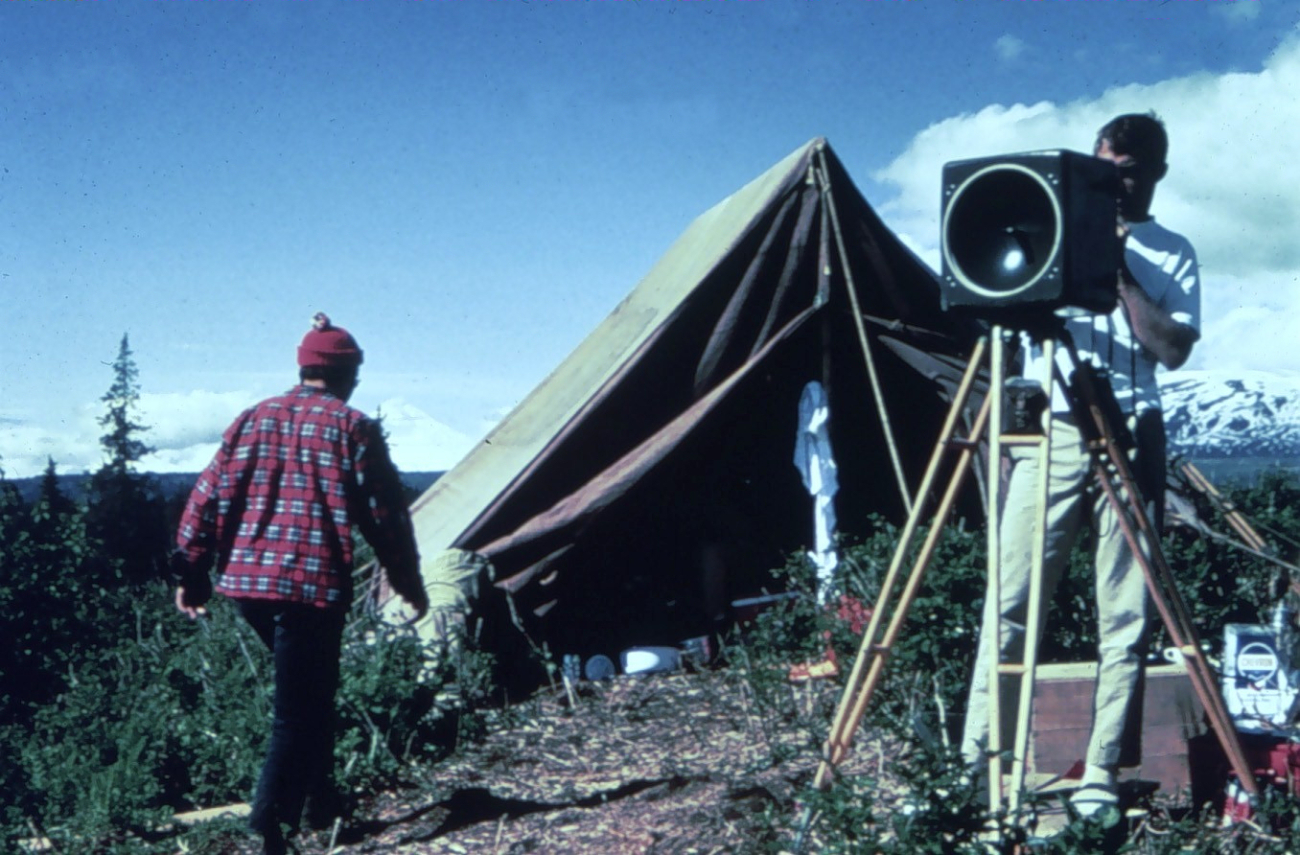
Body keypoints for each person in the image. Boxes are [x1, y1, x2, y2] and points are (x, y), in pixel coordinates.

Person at [960, 112, 1201, 815]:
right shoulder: (1054, 235)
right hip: (1059, 426)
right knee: (1009, 596)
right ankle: (978, 761)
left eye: (1124, 173)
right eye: (1102, 170)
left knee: (1123, 611)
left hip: (1134, 429)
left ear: (1154, 172)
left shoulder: (1174, 250)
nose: (1111, 185)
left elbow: (1172, 348)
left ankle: (1101, 769)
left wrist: (1119, 266)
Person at [171, 312, 429, 854]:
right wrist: (408, 582)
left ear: (303, 367)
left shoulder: (251, 419)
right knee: (299, 709)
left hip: (247, 587)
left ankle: (323, 805)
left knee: (311, 695)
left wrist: (193, 575)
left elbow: (205, 500)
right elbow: (385, 517)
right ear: (348, 374)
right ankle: (269, 830)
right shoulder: (353, 427)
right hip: (311, 591)